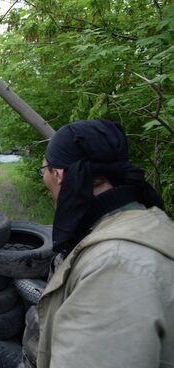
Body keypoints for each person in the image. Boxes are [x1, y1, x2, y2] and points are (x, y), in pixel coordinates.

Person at [27, 119, 174, 367]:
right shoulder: (148, 221)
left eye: (44, 170)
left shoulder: (115, 266)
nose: (44, 177)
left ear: (59, 175)